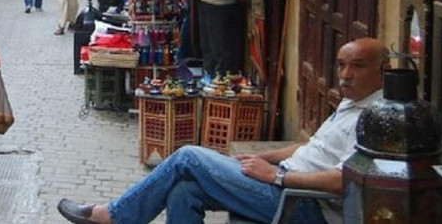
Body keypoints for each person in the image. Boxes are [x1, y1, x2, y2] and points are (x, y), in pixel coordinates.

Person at [57, 37, 387, 224]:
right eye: (342, 64)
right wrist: (266, 157)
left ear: (382, 70)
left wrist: (277, 177)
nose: (345, 74)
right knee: (184, 190)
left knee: (188, 156)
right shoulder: (351, 104)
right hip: (285, 183)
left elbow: (347, 179)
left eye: (357, 66)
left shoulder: (378, 118)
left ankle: (113, 217)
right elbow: (312, 147)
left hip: (304, 204)